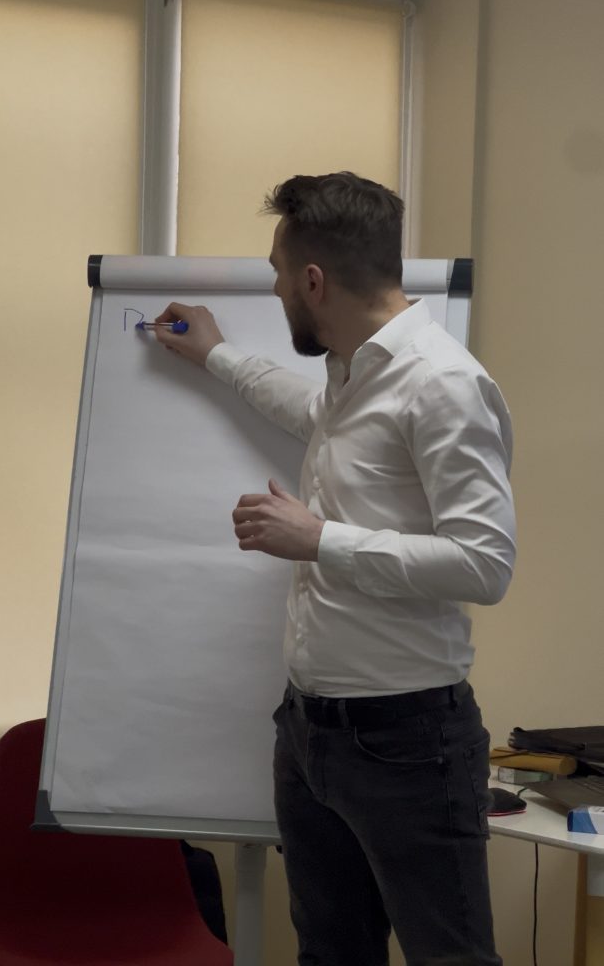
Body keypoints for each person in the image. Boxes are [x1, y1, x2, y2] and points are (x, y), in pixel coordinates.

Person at [154, 172, 516, 966]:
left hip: (408, 742)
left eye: (278, 272)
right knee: (330, 955)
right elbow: (307, 412)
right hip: (308, 731)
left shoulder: (443, 385)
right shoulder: (351, 374)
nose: (276, 288)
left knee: (449, 958)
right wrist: (216, 356)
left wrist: (319, 538)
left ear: (312, 281)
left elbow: (484, 563)